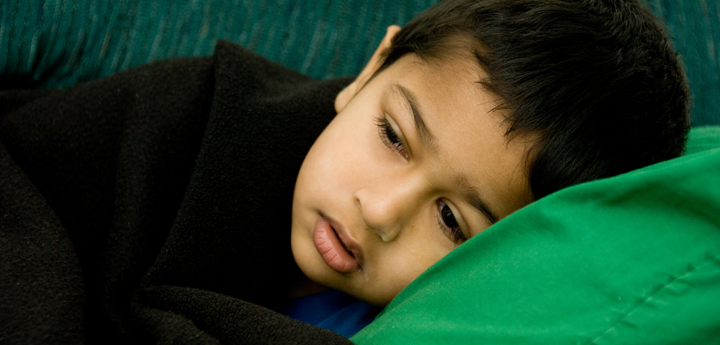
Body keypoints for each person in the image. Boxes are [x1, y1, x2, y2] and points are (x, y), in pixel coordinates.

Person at [0, 0, 688, 343]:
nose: (382, 211)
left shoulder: (415, 324)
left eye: (451, 220)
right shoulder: (202, 115)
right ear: (368, 73)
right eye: (393, 135)